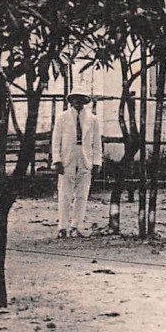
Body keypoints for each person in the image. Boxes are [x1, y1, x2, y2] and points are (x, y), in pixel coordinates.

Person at [51, 88, 103, 238]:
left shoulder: (93, 120)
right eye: (75, 98)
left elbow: (97, 143)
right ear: (71, 100)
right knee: (65, 193)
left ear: (86, 101)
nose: (78, 102)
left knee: (82, 194)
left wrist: (97, 162)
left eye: (82, 99)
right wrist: (57, 160)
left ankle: (76, 226)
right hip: (67, 158)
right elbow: (56, 141)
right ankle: (63, 227)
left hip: (85, 158)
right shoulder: (62, 118)